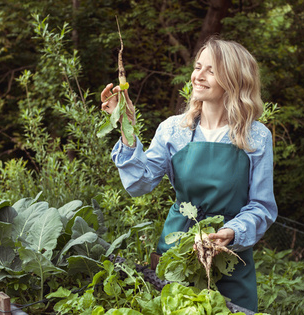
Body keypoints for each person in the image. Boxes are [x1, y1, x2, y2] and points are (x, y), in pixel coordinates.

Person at [100, 37, 277, 312]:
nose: (198, 76)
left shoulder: (256, 136)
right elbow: (139, 184)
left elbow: (262, 207)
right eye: (197, 67)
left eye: (211, 70)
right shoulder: (174, 130)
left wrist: (231, 232)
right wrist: (126, 126)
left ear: (234, 79)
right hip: (177, 256)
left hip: (230, 259)